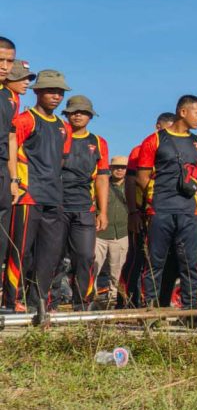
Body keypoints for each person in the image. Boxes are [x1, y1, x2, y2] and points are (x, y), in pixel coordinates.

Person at [7, 70, 73, 312]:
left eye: (60, 92)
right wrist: (15, 181)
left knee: (50, 253)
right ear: (37, 91)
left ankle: (39, 300)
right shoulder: (25, 120)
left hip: (54, 196)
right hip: (28, 194)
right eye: (51, 91)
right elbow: (11, 151)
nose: (56, 96)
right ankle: (10, 300)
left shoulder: (64, 127)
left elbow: (62, 160)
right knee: (21, 250)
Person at [135, 95, 197, 310]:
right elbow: (142, 177)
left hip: (188, 213)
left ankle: (191, 311)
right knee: (154, 262)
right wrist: (153, 200)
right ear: (182, 112)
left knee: (190, 264)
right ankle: (149, 309)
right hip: (160, 210)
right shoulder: (154, 140)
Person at [121, 112, 176, 308]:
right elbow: (130, 182)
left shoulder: (177, 152)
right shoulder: (141, 149)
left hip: (165, 214)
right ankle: (126, 302)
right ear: (157, 127)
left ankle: (157, 303)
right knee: (138, 257)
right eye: (166, 129)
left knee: (162, 260)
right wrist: (133, 212)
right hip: (142, 212)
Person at [59, 95, 110, 309]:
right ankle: (50, 302)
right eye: (73, 111)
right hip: (56, 205)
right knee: (54, 256)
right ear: (67, 114)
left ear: (90, 116)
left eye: (83, 112)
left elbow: (102, 178)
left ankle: (83, 303)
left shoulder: (98, 142)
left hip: (84, 207)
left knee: (85, 256)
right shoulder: (58, 134)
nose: (78, 115)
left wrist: (103, 211)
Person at [1, 57, 33, 291]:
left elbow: (11, 142)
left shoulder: (15, 100)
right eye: (21, 78)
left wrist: (14, 179)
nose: (26, 83)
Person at [95, 155, 130, 304]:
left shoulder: (131, 186)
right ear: (110, 168)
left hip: (121, 234)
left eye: (123, 167)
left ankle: (114, 299)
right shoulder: (101, 183)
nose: (120, 170)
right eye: (116, 167)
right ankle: (91, 297)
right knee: (93, 266)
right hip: (100, 234)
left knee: (117, 271)